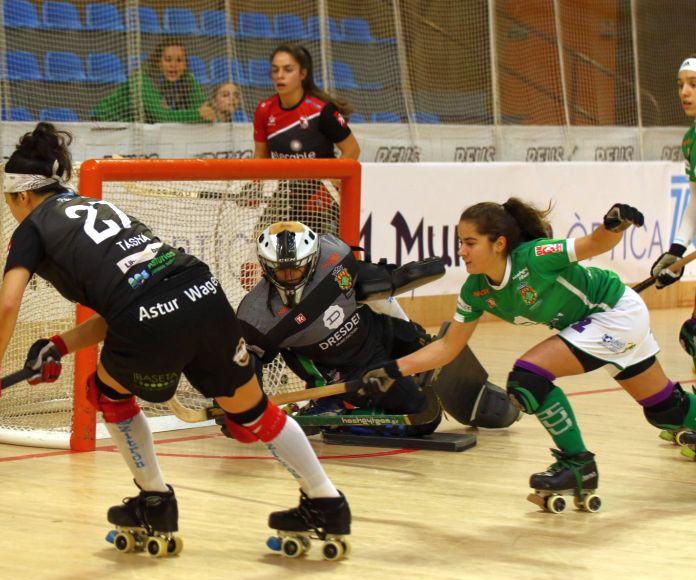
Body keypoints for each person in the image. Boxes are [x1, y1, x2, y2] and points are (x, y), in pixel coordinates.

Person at [0, 123, 351, 558]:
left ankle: (154, 499)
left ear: (21, 196)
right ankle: (326, 500)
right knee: (256, 412)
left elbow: (7, 304)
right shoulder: (94, 207)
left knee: (108, 393)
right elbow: (133, 296)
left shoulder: (31, 227)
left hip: (149, 316)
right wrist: (63, 344)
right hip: (203, 293)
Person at [360, 198, 696, 513]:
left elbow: (594, 244)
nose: (461, 251)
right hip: (595, 325)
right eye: (459, 241)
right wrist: (391, 370)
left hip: (614, 313)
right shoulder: (474, 291)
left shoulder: (535, 256)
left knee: (528, 377)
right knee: (666, 411)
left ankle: (577, 464)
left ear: (499, 243)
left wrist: (614, 225)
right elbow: (448, 347)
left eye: (470, 242)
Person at [236, 221, 441, 437]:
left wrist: (401, 274)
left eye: (298, 267)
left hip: (377, 332)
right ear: (266, 267)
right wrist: (243, 409)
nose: (290, 276)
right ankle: (336, 417)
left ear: (314, 258)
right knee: (425, 417)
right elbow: (245, 363)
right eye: (281, 271)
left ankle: (333, 404)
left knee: (427, 345)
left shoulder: (336, 255)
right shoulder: (255, 317)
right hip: (349, 374)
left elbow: (368, 281)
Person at [250, 44, 360, 235]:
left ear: (303, 74)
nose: (279, 76)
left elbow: (352, 149)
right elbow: (260, 156)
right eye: (275, 70)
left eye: (288, 69)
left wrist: (330, 183)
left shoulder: (321, 110)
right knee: (258, 238)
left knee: (321, 252)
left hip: (319, 194)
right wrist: (255, 187)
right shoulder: (264, 110)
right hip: (284, 193)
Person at [648, 56, 696, 373]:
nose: (685, 92)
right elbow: (695, 203)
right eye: (680, 85)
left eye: (693, 84)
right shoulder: (690, 139)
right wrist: (676, 251)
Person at [91, 39, 216, 123]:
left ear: (185, 64)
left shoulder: (187, 79)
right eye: (168, 60)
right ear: (158, 62)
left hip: (136, 128)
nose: (174, 65)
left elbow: (207, 110)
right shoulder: (142, 78)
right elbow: (161, 117)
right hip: (105, 123)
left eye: (179, 60)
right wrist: (198, 114)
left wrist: (206, 114)